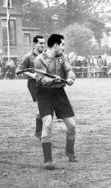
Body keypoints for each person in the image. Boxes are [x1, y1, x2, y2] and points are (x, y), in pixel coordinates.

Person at [34, 34, 77, 170]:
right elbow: (41, 79)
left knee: (72, 126)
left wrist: (70, 78)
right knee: (47, 124)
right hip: (44, 93)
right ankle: (48, 160)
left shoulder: (62, 57)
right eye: (62, 45)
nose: (63, 47)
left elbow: (69, 71)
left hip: (59, 93)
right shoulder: (39, 60)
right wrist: (53, 80)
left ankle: (69, 152)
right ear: (55, 45)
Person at [16, 35, 45, 139]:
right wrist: (32, 75)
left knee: (45, 108)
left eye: (43, 43)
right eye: (40, 43)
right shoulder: (28, 56)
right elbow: (18, 71)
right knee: (42, 107)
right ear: (34, 44)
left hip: (45, 83)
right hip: (34, 84)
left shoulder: (46, 55)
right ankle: (39, 133)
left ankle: (40, 132)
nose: (43, 45)